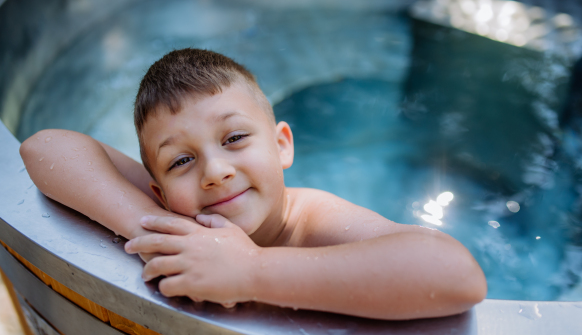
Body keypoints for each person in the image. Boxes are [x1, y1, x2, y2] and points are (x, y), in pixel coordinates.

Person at [20, 48, 486, 320]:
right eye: (181, 160)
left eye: (235, 138)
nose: (215, 171)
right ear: (158, 190)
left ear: (282, 145)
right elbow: (44, 148)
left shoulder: (311, 221)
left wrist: (252, 271)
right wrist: (157, 233)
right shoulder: (179, 217)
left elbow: (456, 275)